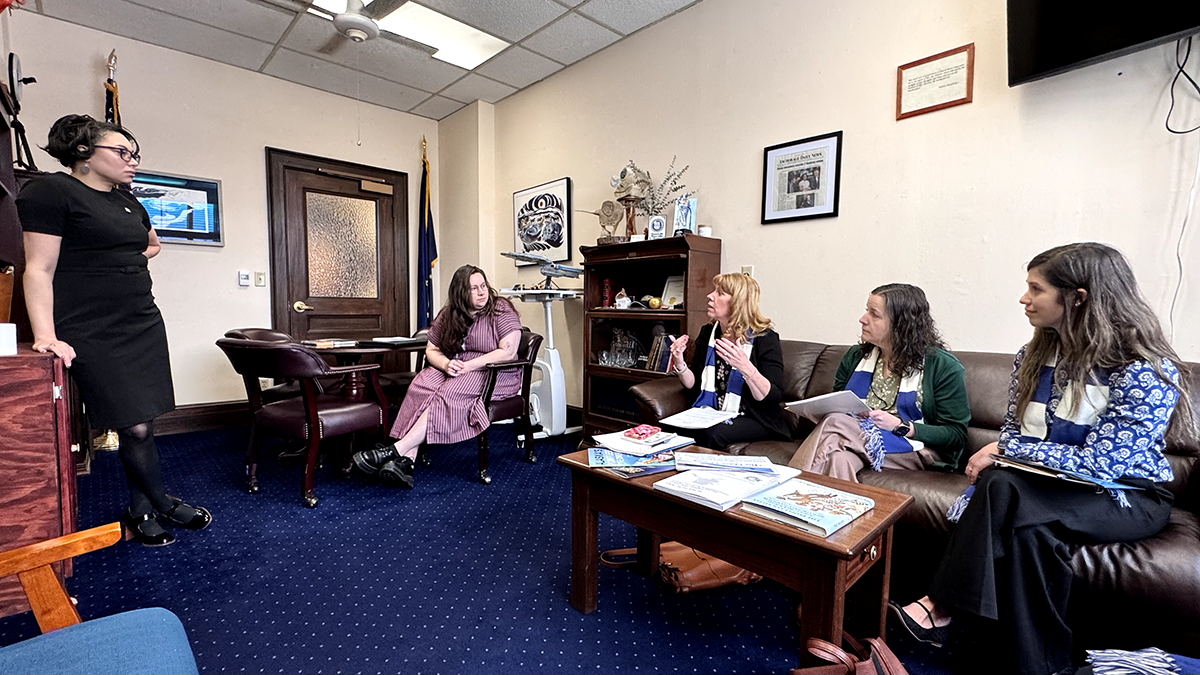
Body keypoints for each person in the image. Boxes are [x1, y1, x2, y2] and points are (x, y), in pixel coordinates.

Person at [890, 243, 1196, 675]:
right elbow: (1014, 430)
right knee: (1028, 532)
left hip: (1125, 495)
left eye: (1036, 289)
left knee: (1000, 484)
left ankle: (940, 606)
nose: (1024, 298)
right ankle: (1041, 665)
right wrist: (1008, 448)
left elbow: (1105, 464)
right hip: (1048, 488)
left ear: (1078, 297)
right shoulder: (1033, 356)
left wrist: (1005, 450)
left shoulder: (1143, 367)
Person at [17, 114, 211, 547]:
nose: (132, 161)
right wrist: (45, 335)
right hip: (90, 326)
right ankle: (161, 500)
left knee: (142, 420)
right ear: (83, 153)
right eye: (122, 152)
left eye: (134, 154)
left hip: (141, 319)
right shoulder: (51, 191)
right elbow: (39, 268)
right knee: (133, 424)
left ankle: (139, 511)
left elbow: (152, 243)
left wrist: (123, 261)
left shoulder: (128, 201)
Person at [351, 264, 522, 488]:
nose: (482, 292)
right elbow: (431, 349)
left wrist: (468, 366)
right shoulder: (449, 314)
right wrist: (446, 364)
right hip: (456, 366)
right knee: (421, 384)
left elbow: (507, 352)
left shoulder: (500, 309)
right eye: (474, 288)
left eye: (483, 286)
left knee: (450, 391)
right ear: (460, 293)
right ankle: (405, 463)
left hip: (495, 371)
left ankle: (395, 450)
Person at [788, 283, 969, 481]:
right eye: (866, 310)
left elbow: (956, 435)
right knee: (839, 460)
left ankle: (786, 486)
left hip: (916, 448)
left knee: (835, 422)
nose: (862, 319)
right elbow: (838, 403)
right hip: (858, 438)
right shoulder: (855, 356)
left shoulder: (943, 366)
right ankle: (831, 503)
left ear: (901, 324)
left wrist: (900, 426)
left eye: (874, 314)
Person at [665, 272, 789, 451]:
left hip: (755, 417)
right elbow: (694, 384)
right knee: (669, 428)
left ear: (738, 302)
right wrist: (679, 362)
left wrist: (745, 367)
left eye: (720, 293)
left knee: (711, 434)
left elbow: (772, 396)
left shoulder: (765, 338)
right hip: (714, 413)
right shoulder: (708, 332)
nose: (710, 296)